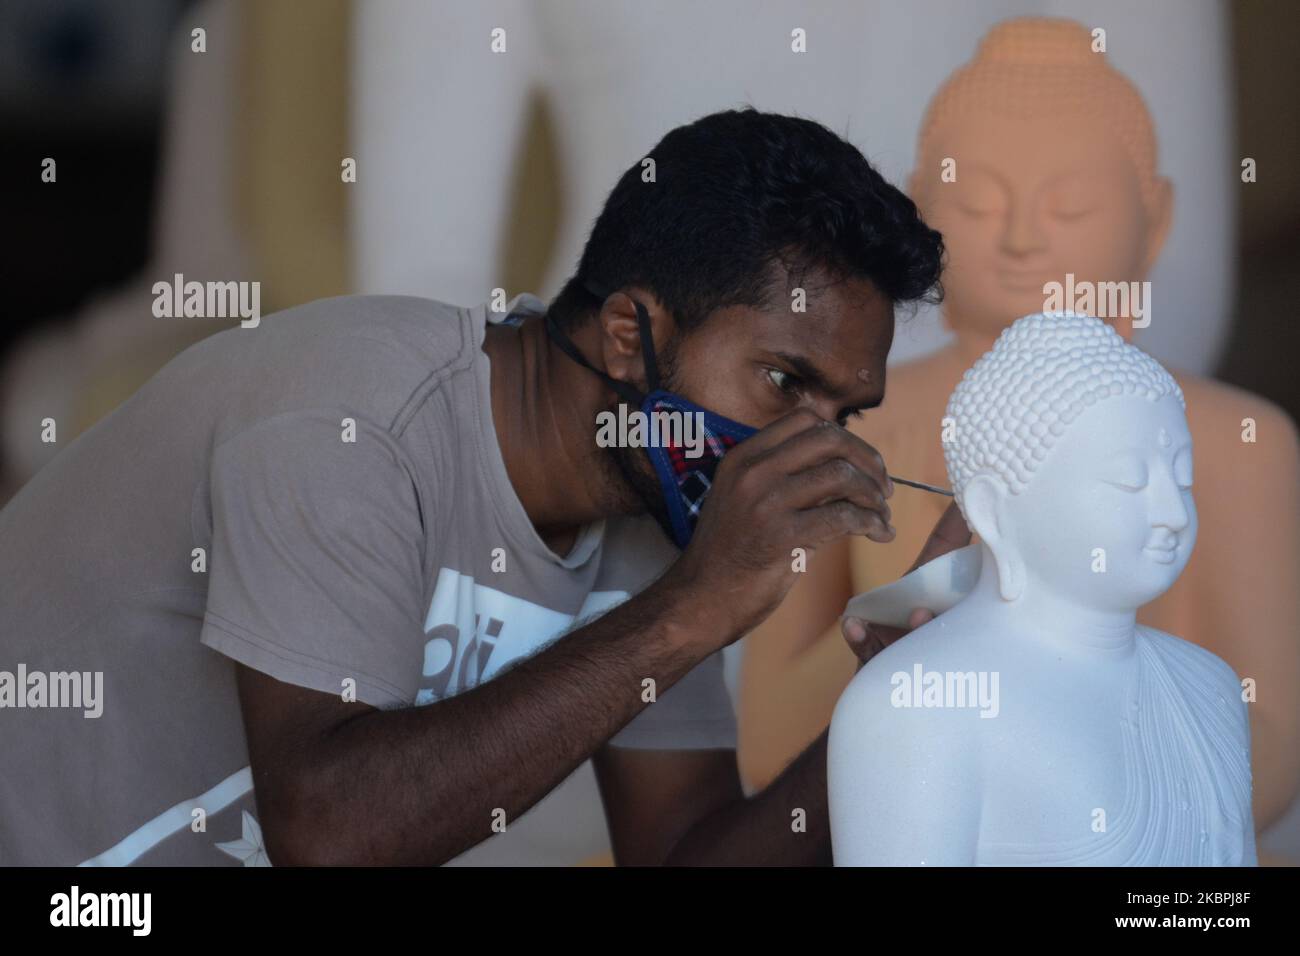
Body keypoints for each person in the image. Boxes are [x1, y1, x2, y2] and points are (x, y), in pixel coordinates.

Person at [0, 107, 953, 866]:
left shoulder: (663, 511)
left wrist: (894, 698)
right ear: (630, 334)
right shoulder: (350, 416)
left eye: (844, 415)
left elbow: (678, 854)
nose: (811, 449)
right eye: (786, 385)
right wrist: (691, 610)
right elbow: (329, 840)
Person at [739, 21, 1300, 842]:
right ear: (919, 212)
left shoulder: (1234, 441)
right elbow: (765, 754)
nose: (1022, 238)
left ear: (1158, 218)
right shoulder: (854, 433)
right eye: (975, 202)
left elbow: (1273, 752)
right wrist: (911, 609)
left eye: (1070, 204)